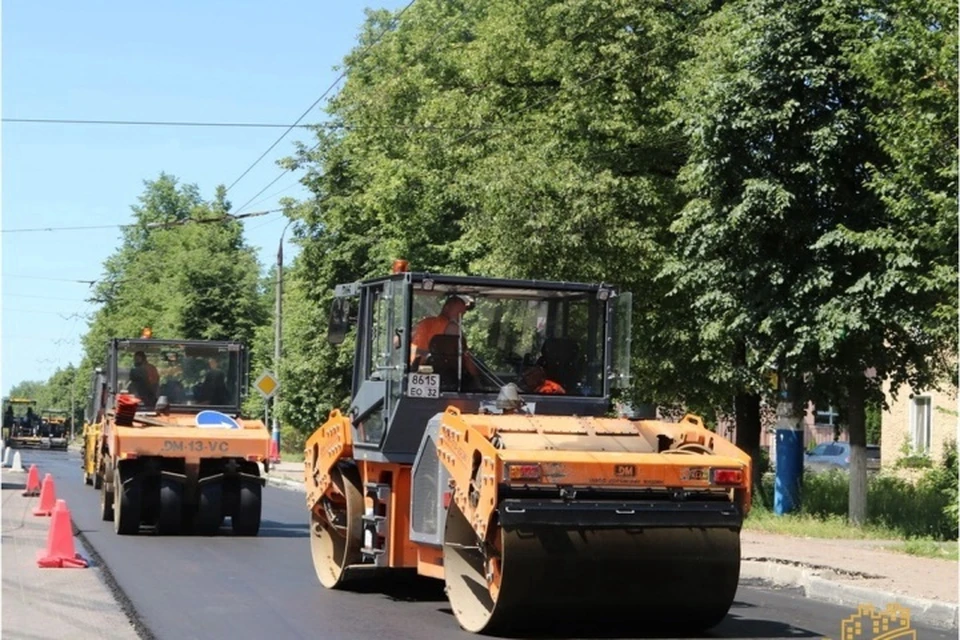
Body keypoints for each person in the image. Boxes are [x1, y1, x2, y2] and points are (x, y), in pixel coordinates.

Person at [409, 295, 479, 379]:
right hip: (439, 375)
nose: (461, 317)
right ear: (446, 308)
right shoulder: (452, 327)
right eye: (458, 313)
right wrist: (476, 377)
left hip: (415, 372)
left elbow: (397, 341)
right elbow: (464, 357)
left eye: (462, 314)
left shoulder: (424, 323)